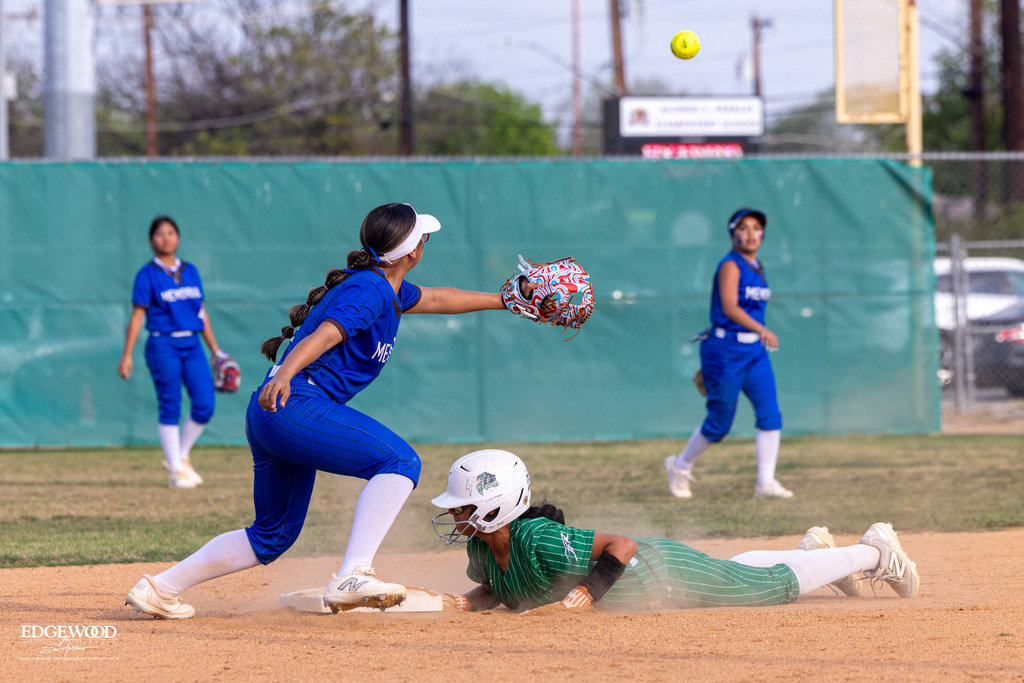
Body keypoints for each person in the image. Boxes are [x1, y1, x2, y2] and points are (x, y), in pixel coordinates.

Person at [126, 203, 521, 619]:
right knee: (399, 460)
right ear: (411, 251)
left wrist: (507, 299)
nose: (426, 241)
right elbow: (327, 332)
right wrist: (287, 373)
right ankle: (353, 574)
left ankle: (160, 588)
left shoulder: (386, 287)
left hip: (274, 410)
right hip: (294, 401)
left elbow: (439, 298)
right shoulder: (370, 288)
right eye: (423, 236)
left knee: (272, 535)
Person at [431, 450, 919, 613]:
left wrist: (584, 593)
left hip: (661, 576)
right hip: (659, 575)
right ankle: (813, 552)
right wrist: (466, 602)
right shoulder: (481, 547)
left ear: (497, 506)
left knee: (769, 588)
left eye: (465, 506)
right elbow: (498, 587)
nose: (457, 516)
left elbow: (623, 546)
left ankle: (874, 551)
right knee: (733, 572)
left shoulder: (535, 538)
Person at [665, 208, 792, 500]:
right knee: (719, 424)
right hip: (725, 349)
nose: (750, 233)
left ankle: (765, 483)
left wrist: (758, 334)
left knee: (770, 414)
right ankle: (680, 467)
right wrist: (762, 329)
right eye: (743, 227)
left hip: (754, 351)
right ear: (733, 233)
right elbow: (729, 307)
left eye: (756, 227)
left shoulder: (758, 265)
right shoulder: (731, 265)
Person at [118, 216, 228, 489]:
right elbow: (137, 316)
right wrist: (127, 354)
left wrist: (215, 349)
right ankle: (176, 472)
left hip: (192, 344)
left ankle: (179, 456)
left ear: (178, 238)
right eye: (159, 234)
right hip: (162, 344)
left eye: (170, 232)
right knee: (170, 405)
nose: (165, 237)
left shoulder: (190, 270)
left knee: (205, 405)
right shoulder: (147, 275)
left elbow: (200, 313)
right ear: (151, 240)